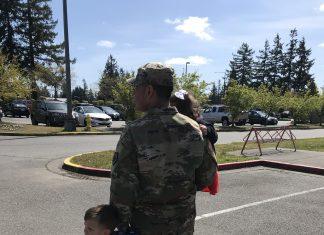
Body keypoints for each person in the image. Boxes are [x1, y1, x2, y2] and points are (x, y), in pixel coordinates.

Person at [109, 63, 216, 234]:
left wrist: (120, 226)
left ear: (149, 91)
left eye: (136, 87)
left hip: (145, 228)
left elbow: (122, 188)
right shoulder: (194, 128)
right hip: (184, 225)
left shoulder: (134, 132)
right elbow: (207, 176)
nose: (133, 93)